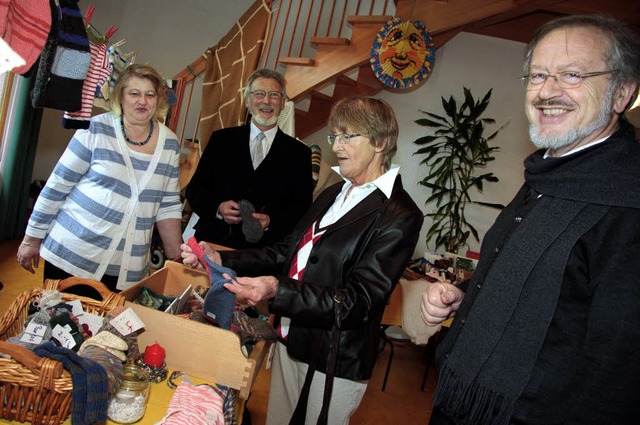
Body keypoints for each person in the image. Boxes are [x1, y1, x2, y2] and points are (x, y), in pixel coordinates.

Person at [420, 14, 640, 425]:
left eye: (572, 75)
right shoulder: (548, 172)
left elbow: (617, 371)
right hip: (463, 399)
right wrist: (469, 295)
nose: (547, 92)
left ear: (621, 93)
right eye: (537, 76)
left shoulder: (628, 203)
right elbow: (546, 284)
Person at [182, 96, 423, 424]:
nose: (336, 146)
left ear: (380, 142)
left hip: (334, 361)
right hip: (291, 340)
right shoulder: (332, 193)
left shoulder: (399, 215)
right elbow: (286, 251)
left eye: (347, 136)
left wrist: (275, 290)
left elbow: (358, 302)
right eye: (334, 136)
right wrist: (224, 257)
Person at [17, 64, 183, 292]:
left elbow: (168, 205)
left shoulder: (170, 144)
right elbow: (57, 187)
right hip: (73, 254)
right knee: (59, 324)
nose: (142, 101)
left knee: (110, 327)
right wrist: (31, 240)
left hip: (127, 266)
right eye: (134, 93)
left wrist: (177, 258)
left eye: (149, 94)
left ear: (158, 99)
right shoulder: (94, 129)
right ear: (121, 97)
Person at [185, 68, 313, 249]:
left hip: (262, 255)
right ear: (247, 101)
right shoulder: (221, 140)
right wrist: (218, 208)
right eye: (259, 94)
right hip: (212, 243)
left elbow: (303, 209)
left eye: (274, 95)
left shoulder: (299, 154)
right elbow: (195, 190)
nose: (266, 101)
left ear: (283, 102)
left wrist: (271, 221)